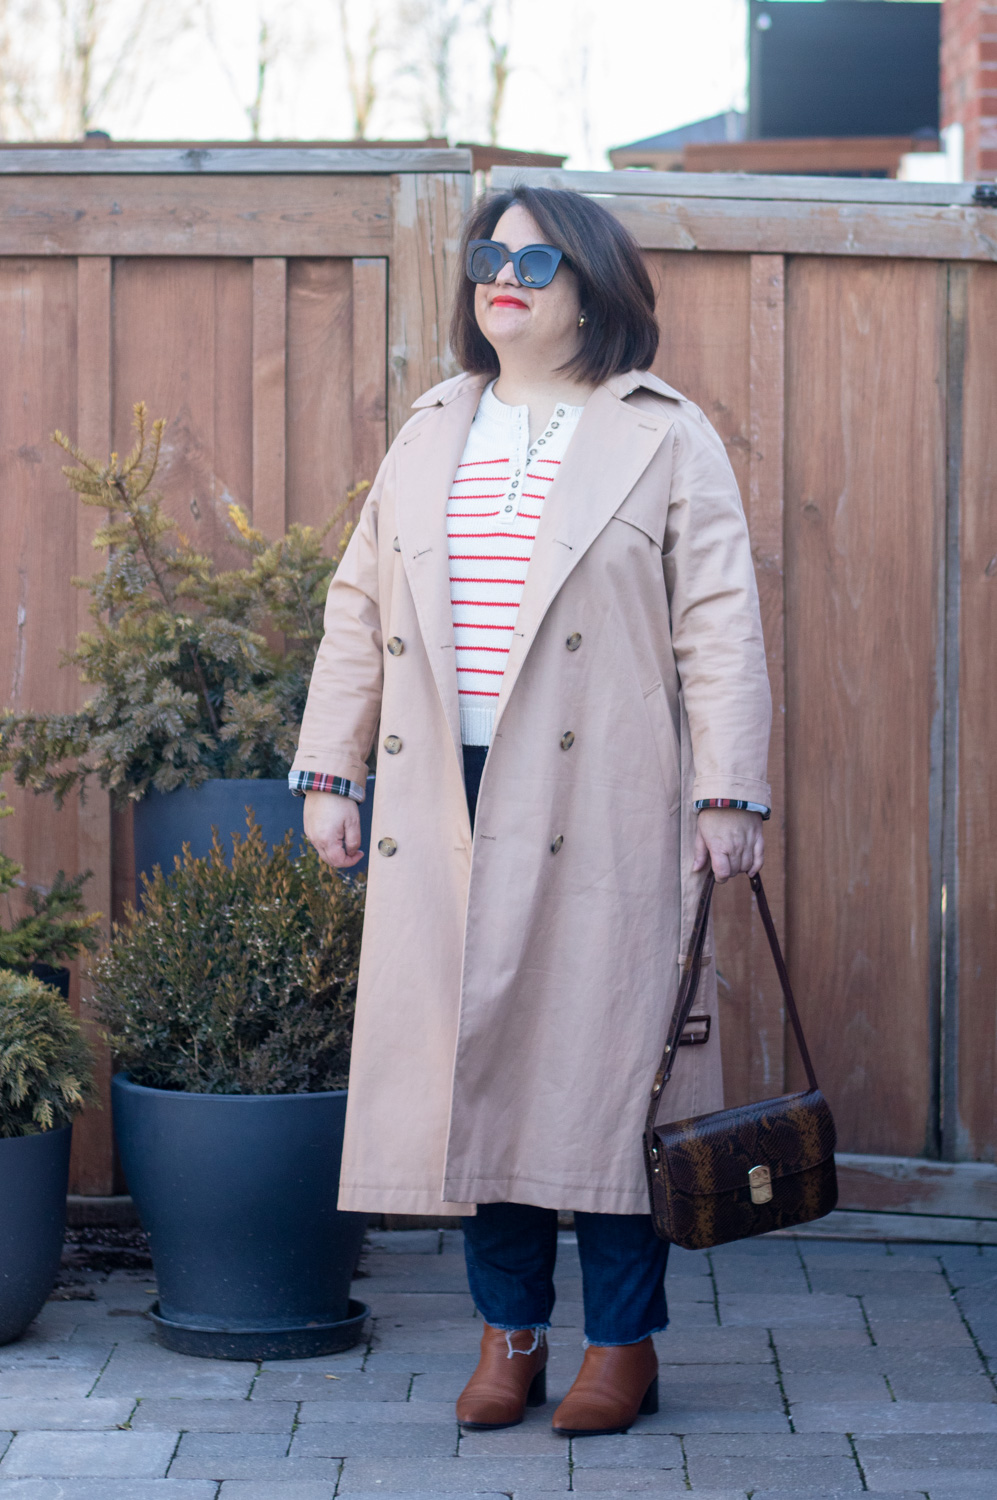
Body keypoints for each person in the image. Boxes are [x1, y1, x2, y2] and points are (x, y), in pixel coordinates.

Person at [290, 185, 771, 1437]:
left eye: (534, 257)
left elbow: (718, 623)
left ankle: (622, 1346)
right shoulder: (429, 428)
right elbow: (359, 610)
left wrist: (729, 791)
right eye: (486, 256)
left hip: (609, 797)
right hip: (444, 797)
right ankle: (509, 1335)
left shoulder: (664, 435)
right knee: (482, 1070)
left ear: (590, 285)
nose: (502, 275)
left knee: (607, 1075)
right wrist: (331, 770)